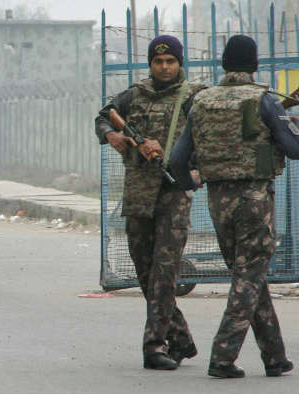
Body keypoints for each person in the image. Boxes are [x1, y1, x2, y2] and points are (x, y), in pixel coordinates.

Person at [170, 34, 296, 378]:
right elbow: (293, 149)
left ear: (224, 64)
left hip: (217, 201)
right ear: (254, 65)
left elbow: (177, 160)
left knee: (249, 276)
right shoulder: (263, 100)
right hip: (254, 199)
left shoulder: (202, 102)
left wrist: (190, 184)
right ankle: (222, 357)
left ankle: (275, 356)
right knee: (249, 276)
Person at [95, 35, 207, 370]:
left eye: (170, 61)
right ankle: (181, 338)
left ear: (179, 63)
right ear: (151, 64)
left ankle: (154, 346)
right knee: (145, 273)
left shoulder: (194, 98)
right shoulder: (134, 95)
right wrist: (112, 134)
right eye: (158, 62)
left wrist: (196, 169)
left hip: (174, 194)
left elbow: (210, 138)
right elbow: (103, 116)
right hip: (138, 193)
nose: (164, 67)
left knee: (164, 272)